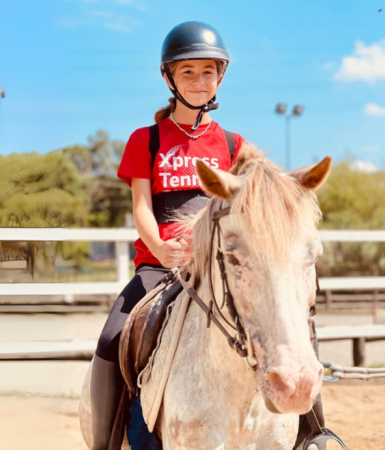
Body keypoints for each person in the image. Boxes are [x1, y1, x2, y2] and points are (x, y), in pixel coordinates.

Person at [89, 21, 245, 450]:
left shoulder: (234, 146)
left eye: (208, 71)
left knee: (280, 322)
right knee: (112, 337)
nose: (199, 81)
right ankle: (105, 441)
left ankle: (312, 429)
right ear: (168, 78)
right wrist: (158, 246)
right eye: (188, 72)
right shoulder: (147, 139)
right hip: (159, 266)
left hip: (215, 270)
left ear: (220, 76)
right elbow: (141, 205)